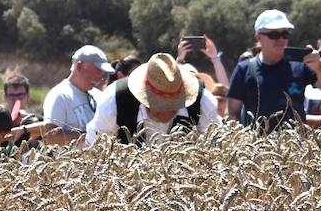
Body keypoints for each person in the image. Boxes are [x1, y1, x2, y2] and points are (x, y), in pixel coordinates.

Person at [226, 9, 321, 131]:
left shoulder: (301, 65)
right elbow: (233, 113)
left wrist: (318, 65)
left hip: (295, 146)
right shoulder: (244, 69)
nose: (281, 39)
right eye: (274, 35)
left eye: (285, 34)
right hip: (256, 146)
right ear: (258, 37)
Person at [87, 53, 222, 145]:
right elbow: (95, 146)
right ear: (143, 96)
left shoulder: (202, 102)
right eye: (160, 106)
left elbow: (219, 148)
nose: (165, 113)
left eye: (171, 106)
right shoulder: (115, 101)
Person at [35, 45, 114, 145]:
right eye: (98, 71)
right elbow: (51, 137)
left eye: (103, 73)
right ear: (80, 66)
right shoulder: (59, 95)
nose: (101, 77)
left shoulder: (98, 95)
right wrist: (90, 136)